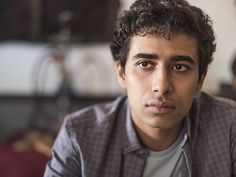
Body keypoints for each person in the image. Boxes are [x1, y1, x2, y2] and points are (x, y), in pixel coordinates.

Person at [44, 0, 236, 176]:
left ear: (200, 80)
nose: (161, 86)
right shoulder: (79, 135)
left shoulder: (230, 128)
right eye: (145, 64)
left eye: (179, 67)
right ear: (122, 74)